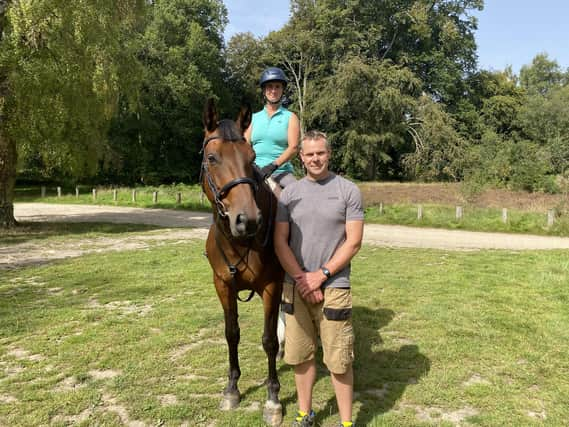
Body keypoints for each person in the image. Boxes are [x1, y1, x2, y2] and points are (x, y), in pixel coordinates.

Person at [274, 131, 364, 427]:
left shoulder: (347, 190)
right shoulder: (289, 194)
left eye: (321, 153)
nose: (315, 159)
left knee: (339, 360)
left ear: (329, 154)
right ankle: (304, 413)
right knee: (300, 356)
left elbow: (353, 242)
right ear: (300, 157)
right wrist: (303, 279)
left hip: (335, 287)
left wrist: (321, 275)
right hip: (296, 286)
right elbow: (280, 242)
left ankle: (347, 422)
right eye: (309, 154)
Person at [245, 66, 300, 188]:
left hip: (281, 172)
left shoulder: (291, 117)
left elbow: (293, 147)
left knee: (297, 194)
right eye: (269, 87)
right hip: (255, 171)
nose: (273, 91)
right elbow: (245, 146)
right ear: (264, 90)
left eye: (277, 87)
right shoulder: (253, 118)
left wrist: (273, 166)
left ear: (282, 90)